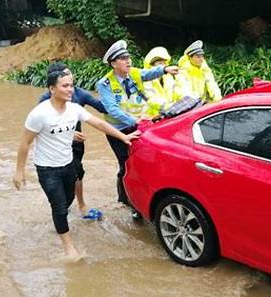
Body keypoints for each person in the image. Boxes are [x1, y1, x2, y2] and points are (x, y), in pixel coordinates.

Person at [13, 71, 140, 260]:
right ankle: (68, 246)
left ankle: (60, 220)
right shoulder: (39, 113)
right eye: (65, 86)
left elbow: (98, 123)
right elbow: (25, 143)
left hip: (68, 164)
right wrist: (19, 171)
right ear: (52, 89)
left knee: (68, 199)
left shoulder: (74, 109)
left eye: (71, 85)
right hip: (47, 169)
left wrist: (123, 136)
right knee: (59, 207)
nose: (70, 89)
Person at [96, 40, 178, 207]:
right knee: (125, 165)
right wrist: (133, 121)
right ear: (113, 63)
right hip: (118, 130)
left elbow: (149, 73)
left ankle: (141, 198)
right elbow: (112, 109)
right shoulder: (104, 84)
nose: (128, 61)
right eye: (122, 58)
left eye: (128, 57)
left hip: (138, 125)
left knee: (142, 161)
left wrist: (164, 69)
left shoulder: (134, 73)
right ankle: (125, 199)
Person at [39, 62, 106, 219]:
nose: (70, 81)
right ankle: (62, 206)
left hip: (76, 145)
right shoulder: (44, 100)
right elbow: (41, 130)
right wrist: (69, 134)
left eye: (70, 75)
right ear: (54, 84)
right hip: (55, 146)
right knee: (59, 176)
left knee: (77, 174)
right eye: (65, 76)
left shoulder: (79, 94)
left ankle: (81, 205)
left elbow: (102, 108)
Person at [142, 46, 181, 118]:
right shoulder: (146, 81)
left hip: (171, 113)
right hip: (153, 118)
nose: (163, 65)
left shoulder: (168, 77)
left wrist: (183, 101)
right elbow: (150, 99)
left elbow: (177, 91)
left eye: (164, 63)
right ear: (151, 65)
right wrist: (168, 107)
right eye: (160, 63)